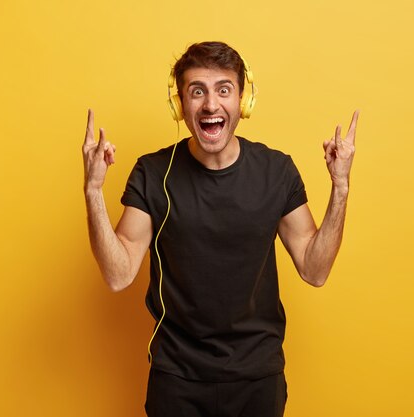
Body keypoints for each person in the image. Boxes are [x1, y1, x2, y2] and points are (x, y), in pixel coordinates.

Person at [82, 41, 358, 417]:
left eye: (223, 89)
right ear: (180, 105)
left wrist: (340, 187)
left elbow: (315, 269)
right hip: (176, 379)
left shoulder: (276, 171)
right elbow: (118, 274)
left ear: (243, 102)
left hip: (257, 378)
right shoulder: (152, 173)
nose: (211, 104)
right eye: (197, 91)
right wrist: (93, 191)